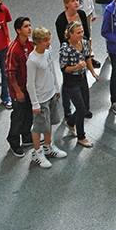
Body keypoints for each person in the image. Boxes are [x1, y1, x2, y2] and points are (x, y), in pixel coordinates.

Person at [27, 27, 67, 168]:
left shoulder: (48, 52)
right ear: (37, 42)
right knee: (38, 127)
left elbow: (52, 71)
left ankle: (48, 147)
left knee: (48, 122)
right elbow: (30, 83)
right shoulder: (32, 60)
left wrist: (56, 88)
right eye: (45, 40)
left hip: (51, 95)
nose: (49, 42)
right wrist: (35, 103)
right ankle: (37, 153)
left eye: (49, 39)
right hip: (41, 98)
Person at [59, 21, 98, 148]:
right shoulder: (66, 49)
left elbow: (87, 58)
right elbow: (63, 68)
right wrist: (76, 67)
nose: (81, 35)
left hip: (82, 78)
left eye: (82, 32)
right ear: (70, 34)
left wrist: (92, 72)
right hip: (71, 81)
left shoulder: (84, 43)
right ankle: (81, 137)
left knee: (85, 106)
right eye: (78, 33)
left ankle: (71, 121)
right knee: (81, 109)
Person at [5, 17, 35, 156]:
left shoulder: (30, 45)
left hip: (29, 88)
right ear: (18, 30)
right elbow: (10, 73)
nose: (29, 28)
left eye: (30, 25)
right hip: (19, 90)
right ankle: (14, 141)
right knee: (18, 116)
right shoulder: (14, 49)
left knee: (29, 113)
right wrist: (17, 91)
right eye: (25, 26)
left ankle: (26, 136)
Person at [65, 0, 100, 68]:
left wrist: (93, 11)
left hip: (87, 11)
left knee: (88, 34)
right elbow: (67, 0)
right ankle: (79, 57)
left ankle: (90, 55)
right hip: (78, 14)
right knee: (79, 35)